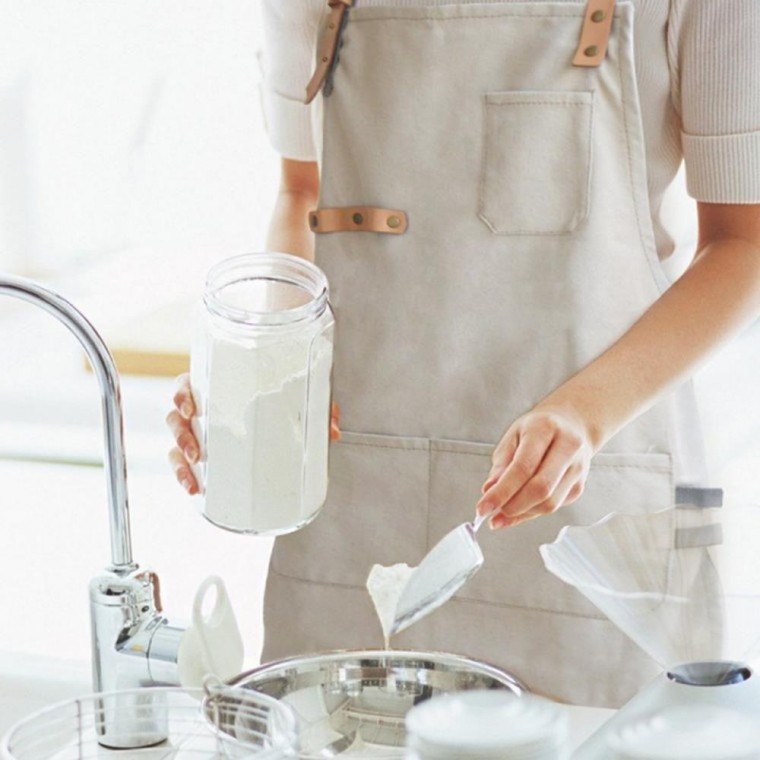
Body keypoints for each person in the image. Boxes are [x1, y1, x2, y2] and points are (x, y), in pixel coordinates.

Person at [167, 0, 760, 707]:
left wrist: (585, 415)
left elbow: (742, 242)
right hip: (355, 514)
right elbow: (302, 190)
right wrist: (269, 380)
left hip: (589, 519)